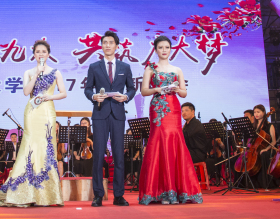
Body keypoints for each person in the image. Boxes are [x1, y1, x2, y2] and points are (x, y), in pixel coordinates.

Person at [0, 40, 66, 207]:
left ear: (48, 54)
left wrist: (50, 97)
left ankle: (46, 194)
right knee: (29, 146)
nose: (41, 54)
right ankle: (23, 191)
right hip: (32, 112)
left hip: (47, 111)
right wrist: (36, 75)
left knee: (45, 147)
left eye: (43, 52)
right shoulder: (28, 72)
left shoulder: (56, 72)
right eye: (37, 52)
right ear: (34, 54)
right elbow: (26, 91)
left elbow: (63, 93)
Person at [137, 36, 202, 205]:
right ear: (155, 50)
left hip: (173, 107)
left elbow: (184, 93)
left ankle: (176, 191)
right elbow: (144, 91)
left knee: (174, 141)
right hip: (158, 108)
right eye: (160, 47)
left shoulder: (177, 69)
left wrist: (176, 89)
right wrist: (158, 89)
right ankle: (161, 191)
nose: (164, 50)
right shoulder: (151, 68)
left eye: (166, 47)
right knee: (159, 141)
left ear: (171, 49)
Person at [85, 31, 136, 207]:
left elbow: (132, 88)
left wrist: (126, 97)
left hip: (118, 114)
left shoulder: (125, 67)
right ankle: (98, 195)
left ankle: (119, 195)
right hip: (100, 114)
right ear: (101, 46)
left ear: (117, 46)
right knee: (98, 155)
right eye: (105, 42)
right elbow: (87, 89)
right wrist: (93, 96)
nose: (107, 45)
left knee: (119, 155)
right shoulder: (94, 67)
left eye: (111, 42)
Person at [247, 105, 277, 190]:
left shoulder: (269, 126)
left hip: (268, 149)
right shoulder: (253, 126)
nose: (256, 114)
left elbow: (273, 141)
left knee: (264, 155)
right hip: (255, 149)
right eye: (255, 112)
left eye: (258, 112)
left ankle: (265, 182)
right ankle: (250, 182)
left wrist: (266, 149)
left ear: (263, 113)